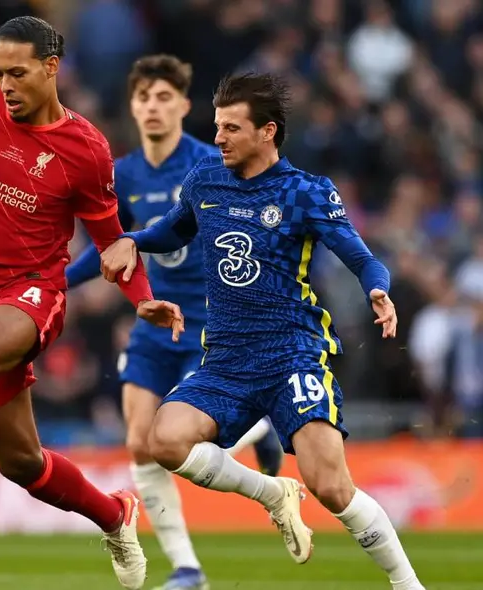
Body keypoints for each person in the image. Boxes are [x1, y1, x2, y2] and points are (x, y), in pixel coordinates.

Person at [100, 72, 424, 590]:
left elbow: (362, 258)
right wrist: (134, 240)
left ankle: (409, 586)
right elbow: (174, 231)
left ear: (267, 131)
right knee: (165, 440)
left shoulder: (305, 192)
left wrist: (378, 290)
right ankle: (273, 493)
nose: (219, 137)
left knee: (331, 486)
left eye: (231, 128)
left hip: (291, 354)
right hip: (226, 359)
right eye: (217, 126)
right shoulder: (206, 179)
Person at [0, 16, 184, 590]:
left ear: (51, 68)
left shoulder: (86, 149)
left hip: (31, 290)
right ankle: (115, 514)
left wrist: (143, 299)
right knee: (22, 463)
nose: (5, 85)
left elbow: (111, 242)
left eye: (18, 73)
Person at [65, 54, 284, 590]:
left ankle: (259, 425)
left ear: (185, 106)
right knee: (141, 444)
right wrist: (60, 281)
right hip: (156, 323)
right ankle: (188, 569)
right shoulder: (123, 174)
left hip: (213, 323)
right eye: (144, 98)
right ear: (132, 107)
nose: (153, 107)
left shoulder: (212, 163)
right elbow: (112, 246)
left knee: (184, 439)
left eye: (164, 97)